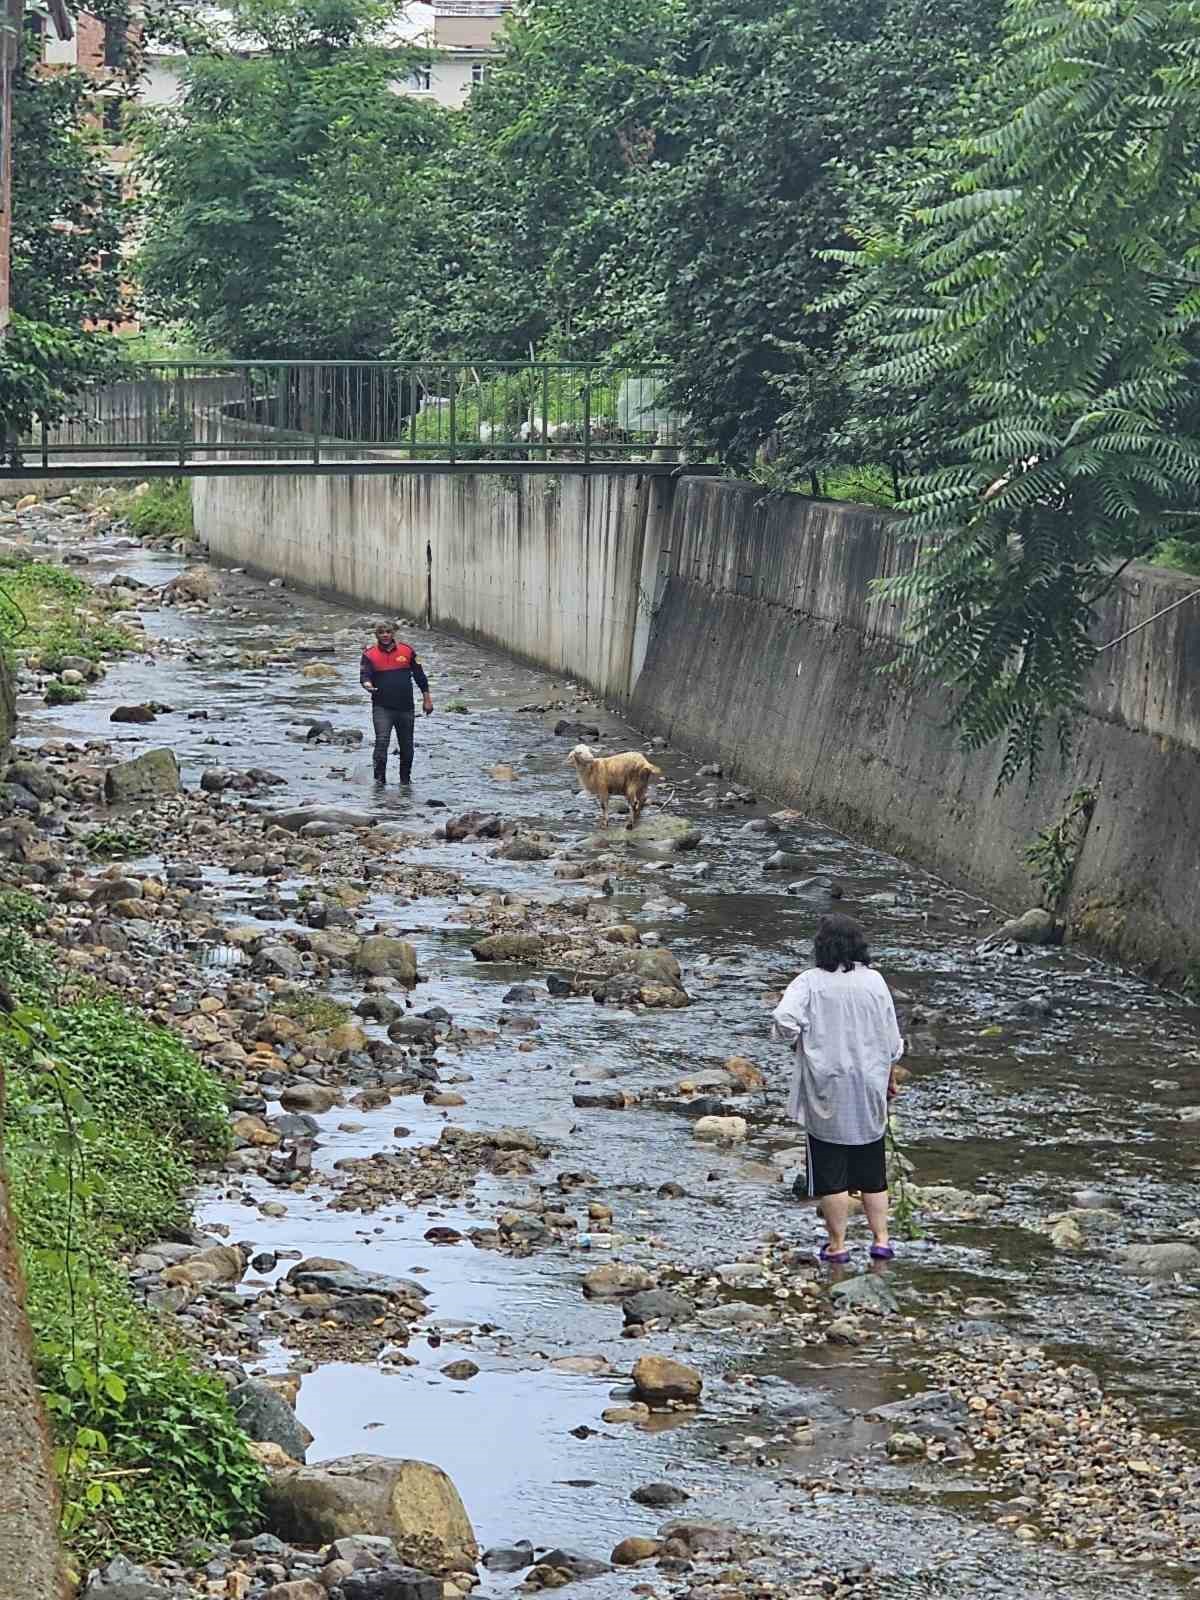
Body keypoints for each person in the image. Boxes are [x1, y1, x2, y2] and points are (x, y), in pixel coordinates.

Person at [772, 913, 904, 1263]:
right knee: (873, 1170)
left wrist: (795, 1040)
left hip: (826, 1084)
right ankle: (881, 1240)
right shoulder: (875, 982)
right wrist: (889, 1078)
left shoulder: (809, 982)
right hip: (868, 1083)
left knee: (831, 1174)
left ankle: (838, 1245)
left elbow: (783, 1020)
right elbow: (892, 1040)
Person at [360, 622, 433, 785]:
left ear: (393, 633)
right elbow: (364, 676)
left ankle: (405, 782)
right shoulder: (369, 655)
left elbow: (420, 676)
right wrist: (368, 686)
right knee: (382, 742)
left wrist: (427, 699)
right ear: (376, 635)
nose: (385, 635)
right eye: (381, 632)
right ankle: (379, 782)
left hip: (406, 707)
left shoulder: (407, 651)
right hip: (382, 707)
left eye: (388, 632)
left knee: (407, 746)